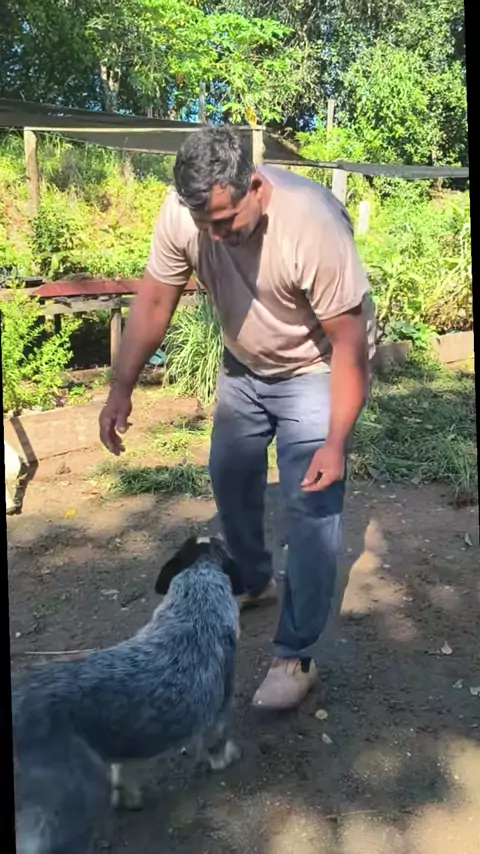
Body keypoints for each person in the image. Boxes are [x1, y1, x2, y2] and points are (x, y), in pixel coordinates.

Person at [99, 126, 376, 711]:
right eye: (205, 225)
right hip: (244, 365)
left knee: (311, 506)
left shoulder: (312, 223)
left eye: (225, 222)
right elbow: (156, 299)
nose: (215, 236)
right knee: (228, 474)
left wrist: (335, 441)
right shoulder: (186, 215)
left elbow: (350, 345)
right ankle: (255, 580)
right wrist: (121, 387)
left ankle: (295, 655)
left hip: (315, 366)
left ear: (254, 186)